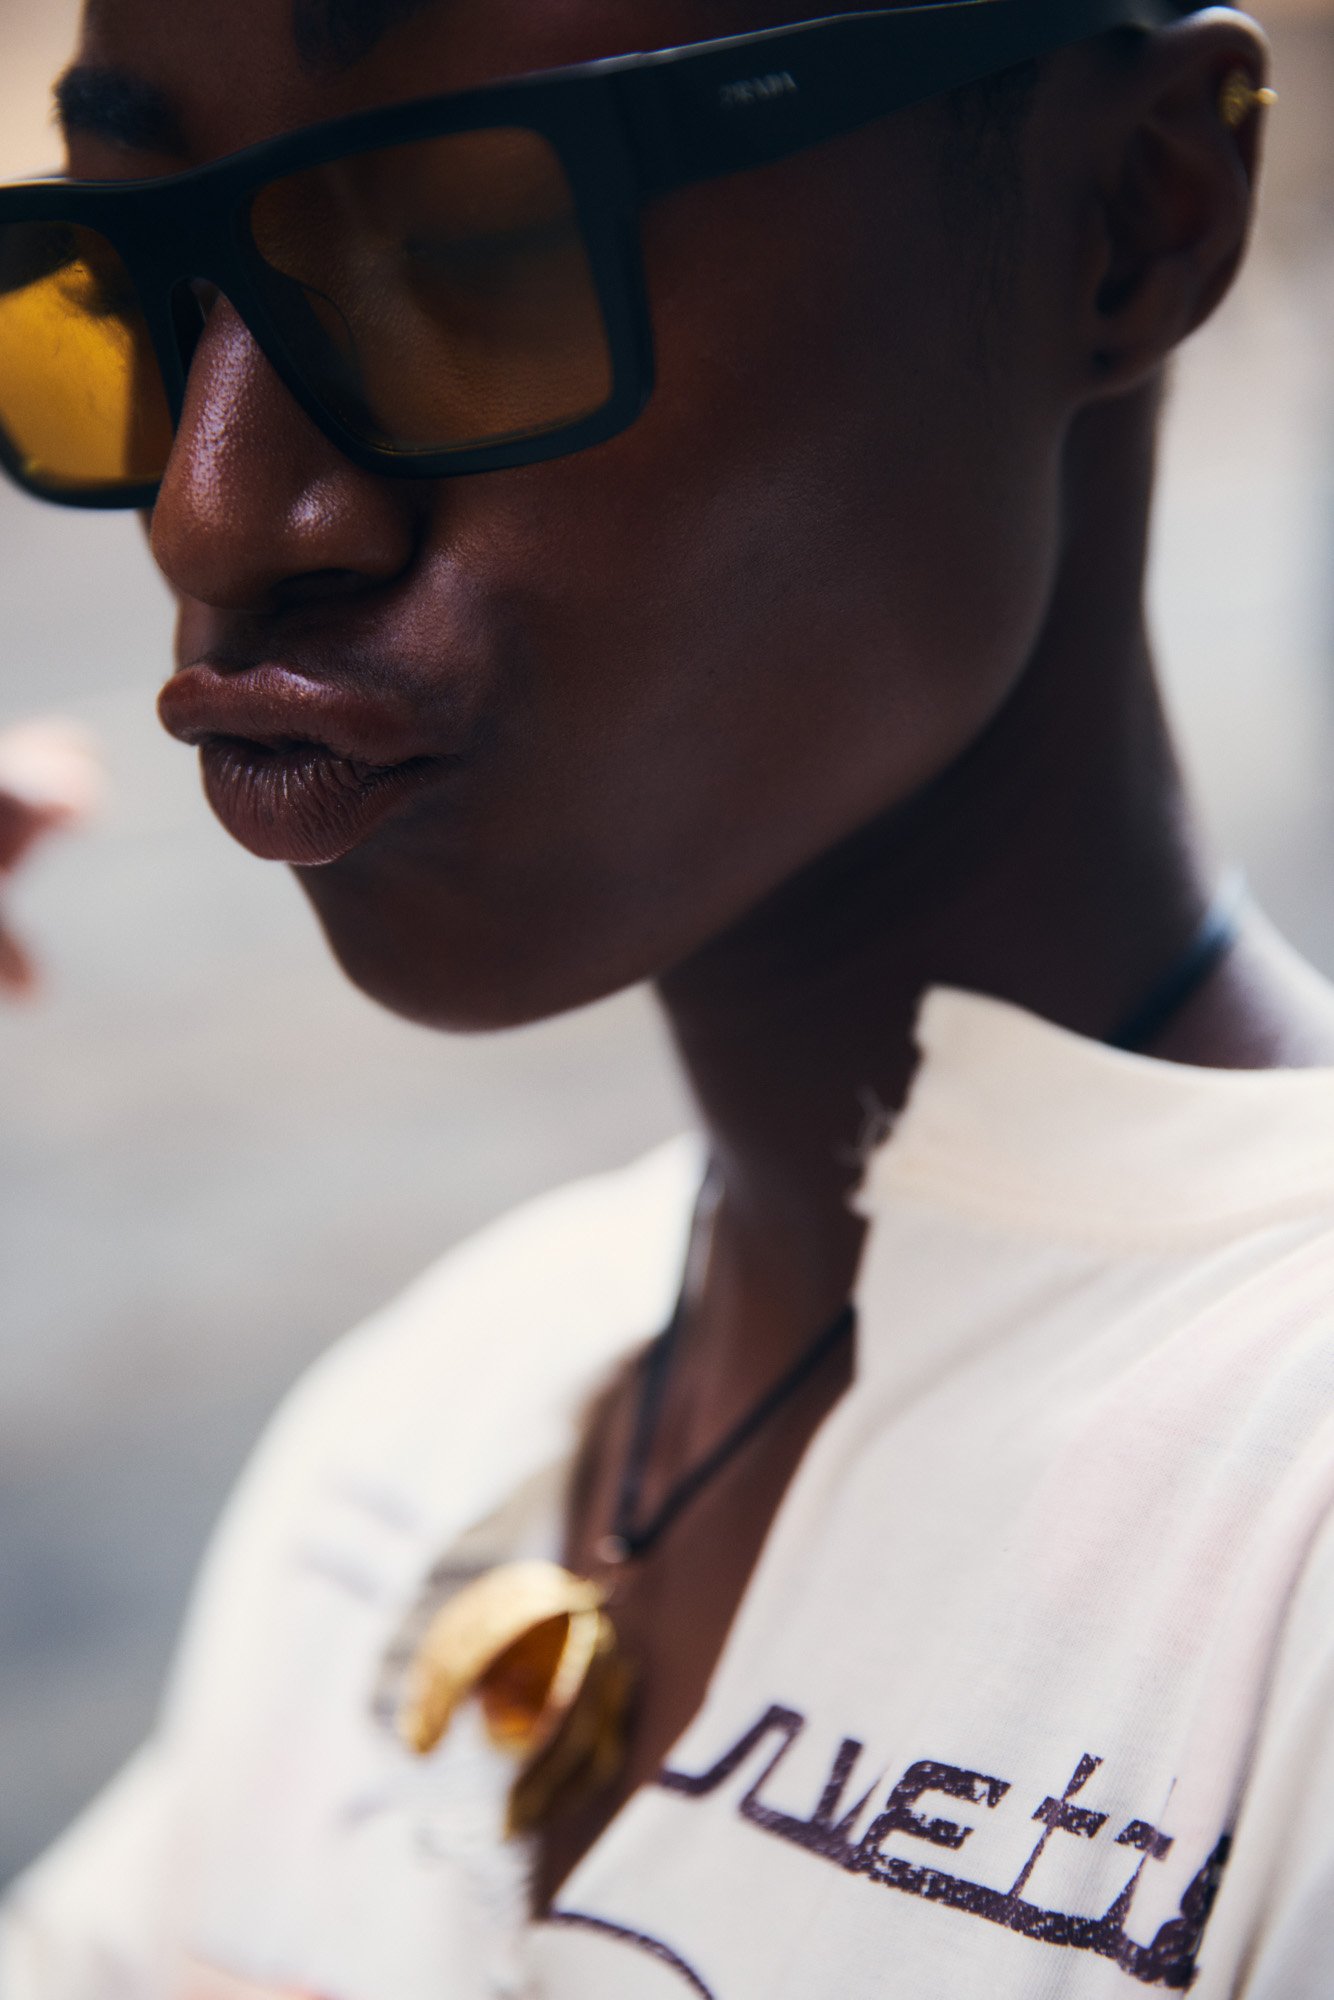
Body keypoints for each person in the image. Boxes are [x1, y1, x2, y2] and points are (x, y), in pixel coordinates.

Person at [2, 0, 1334, 1992]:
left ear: (1128, 217)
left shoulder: (1285, 1527)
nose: (211, 511)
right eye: (130, 279)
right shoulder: (414, 1433)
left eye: (469, 249)